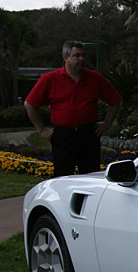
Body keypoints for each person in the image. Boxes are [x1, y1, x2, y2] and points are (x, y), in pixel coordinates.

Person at [25, 41, 122, 177]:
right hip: (64, 136)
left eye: (83, 56)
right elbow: (30, 104)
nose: (81, 59)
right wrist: (42, 129)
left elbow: (115, 100)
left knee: (91, 177)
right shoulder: (50, 79)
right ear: (66, 58)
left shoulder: (95, 78)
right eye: (77, 55)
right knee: (63, 177)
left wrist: (106, 123)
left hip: (89, 135)